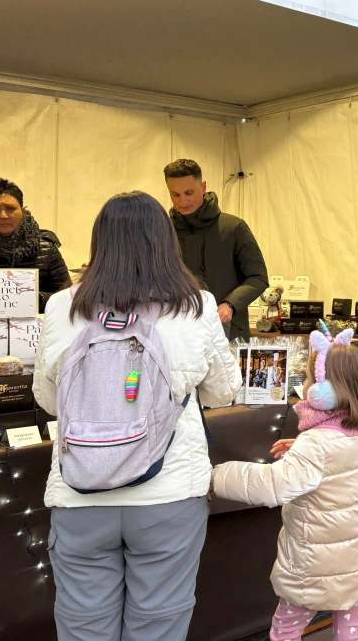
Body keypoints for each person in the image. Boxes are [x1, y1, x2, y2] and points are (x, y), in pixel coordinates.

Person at [32, 191, 241, 640]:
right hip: (168, 493)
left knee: (83, 626)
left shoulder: (61, 306)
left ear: (99, 242)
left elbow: (50, 402)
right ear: (165, 241)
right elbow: (224, 392)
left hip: (78, 492)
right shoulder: (197, 305)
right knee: (159, 624)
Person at [212, 337, 358, 641]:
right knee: (350, 626)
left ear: (324, 391)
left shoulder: (317, 444)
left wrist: (218, 475)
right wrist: (300, 449)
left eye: (309, 379)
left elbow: (274, 486)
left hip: (316, 563)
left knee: (287, 629)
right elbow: (340, 464)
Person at [164, 159, 268, 341]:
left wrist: (230, 304)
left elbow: (257, 277)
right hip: (179, 334)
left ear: (203, 187)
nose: (183, 201)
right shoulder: (164, 232)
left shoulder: (234, 228)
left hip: (228, 332)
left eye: (189, 192)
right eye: (176, 195)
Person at [0, 178, 71, 315]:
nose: (3, 215)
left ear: (22, 210)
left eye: (11, 209)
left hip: (36, 332)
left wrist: (34, 298)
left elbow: (68, 299)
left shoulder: (46, 248)